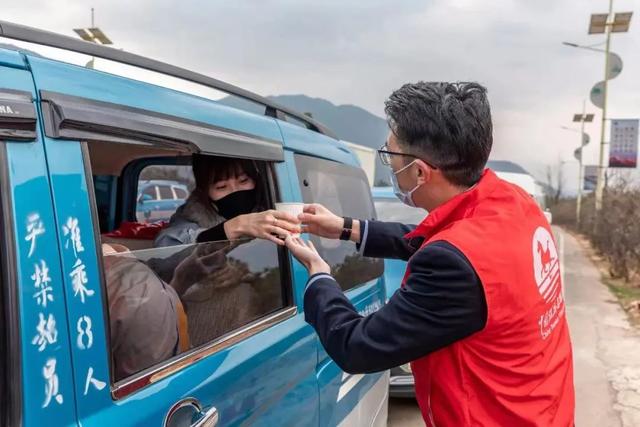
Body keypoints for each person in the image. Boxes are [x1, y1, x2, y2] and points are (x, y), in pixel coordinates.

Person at [285, 82, 575, 426]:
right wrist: (345, 227)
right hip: (545, 409)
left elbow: (357, 346)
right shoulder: (514, 203)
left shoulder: (454, 263)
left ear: (420, 171)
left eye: (391, 157)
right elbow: (434, 239)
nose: (390, 168)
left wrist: (318, 276)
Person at [154, 154, 300, 247]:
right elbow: (166, 247)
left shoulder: (272, 206)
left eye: (243, 180)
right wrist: (228, 229)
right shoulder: (193, 214)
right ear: (205, 192)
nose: (235, 191)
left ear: (256, 180)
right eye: (221, 186)